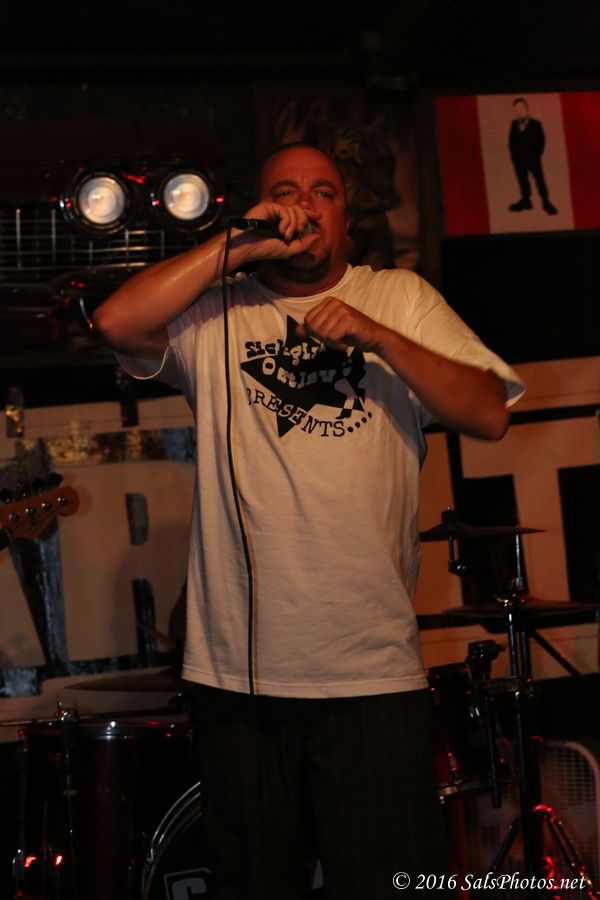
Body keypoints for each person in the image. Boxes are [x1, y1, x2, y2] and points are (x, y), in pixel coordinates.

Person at [93, 143, 524, 899]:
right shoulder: (216, 310)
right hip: (239, 679)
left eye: (322, 192)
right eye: (285, 191)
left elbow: (489, 411)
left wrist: (380, 337)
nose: (304, 205)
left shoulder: (397, 296)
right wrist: (238, 245)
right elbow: (116, 321)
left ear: (346, 217)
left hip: (370, 672)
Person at [508, 98, 558, 215]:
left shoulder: (536, 124)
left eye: (522, 108)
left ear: (527, 108)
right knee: (522, 180)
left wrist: (535, 156)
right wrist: (514, 157)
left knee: (539, 180)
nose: (520, 111)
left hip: (533, 159)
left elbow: (541, 142)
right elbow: (511, 142)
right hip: (519, 160)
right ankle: (526, 201)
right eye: (517, 109)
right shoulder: (514, 124)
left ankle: (546, 202)